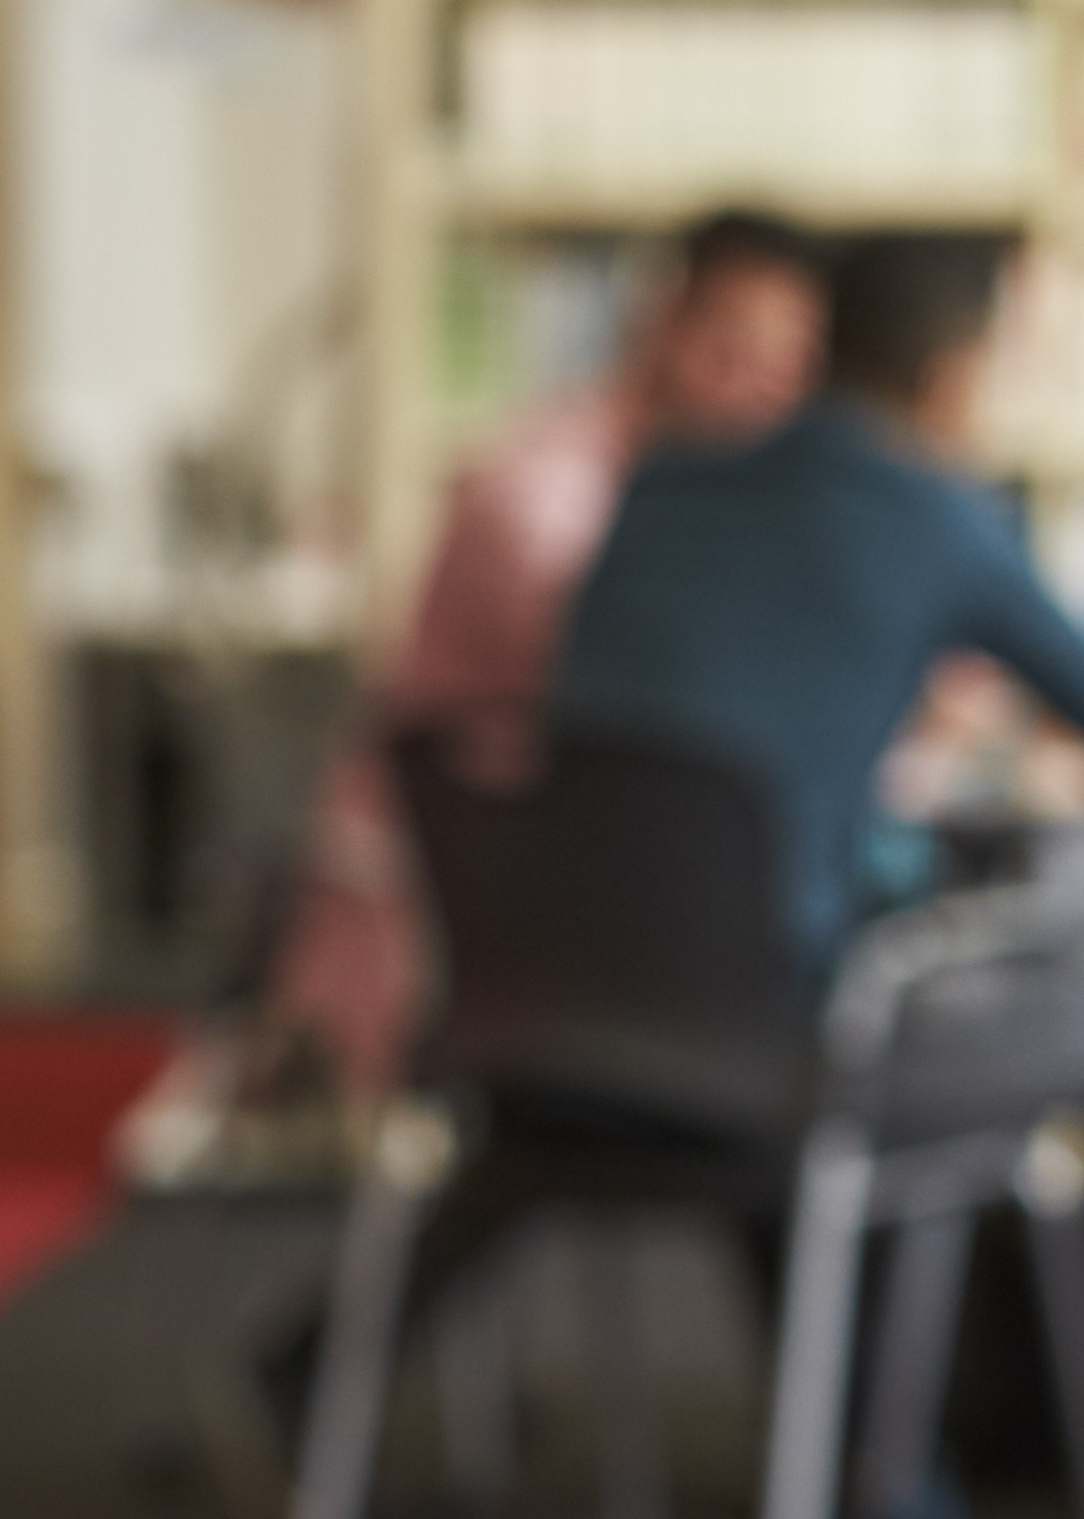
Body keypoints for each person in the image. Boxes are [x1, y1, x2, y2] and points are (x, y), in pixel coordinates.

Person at [553, 231, 1084, 1519]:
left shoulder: (656, 490)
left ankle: (891, 1461)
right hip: (793, 1043)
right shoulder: (926, 511)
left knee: (880, 980)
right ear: (957, 377)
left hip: (581, 1009)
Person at [240, 209, 827, 1120]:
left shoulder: (700, 500)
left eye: (788, 367)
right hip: (479, 902)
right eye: (732, 346)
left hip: (587, 882)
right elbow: (634, 684)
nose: (758, 388)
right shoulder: (544, 490)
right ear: (660, 321)